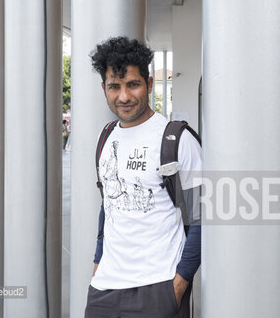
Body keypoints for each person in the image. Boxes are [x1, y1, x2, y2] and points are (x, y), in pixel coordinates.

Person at [85, 36, 202, 318]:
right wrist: (98, 263)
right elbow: (108, 206)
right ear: (104, 88)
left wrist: (180, 281)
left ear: (149, 84)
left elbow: (203, 216)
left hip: (158, 288)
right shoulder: (105, 137)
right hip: (104, 288)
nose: (123, 96)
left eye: (133, 84)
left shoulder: (177, 139)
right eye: (114, 86)